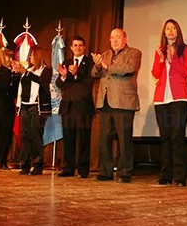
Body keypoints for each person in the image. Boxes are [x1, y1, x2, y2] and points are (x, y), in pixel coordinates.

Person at [92, 28, 141, 183]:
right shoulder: (105, 54)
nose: (114, 40)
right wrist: (98, 65)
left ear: (125, 39)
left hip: (124, 102)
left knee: (124, 139)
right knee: (104, 139)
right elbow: (94, 74)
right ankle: (105, 172)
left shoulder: (134, 53)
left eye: (118, 37)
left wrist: (107, 66)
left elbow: (129, 69)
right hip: (106, 101)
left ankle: (125, 172)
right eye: (112, 37)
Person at [152, 19, 187, 186]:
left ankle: (180, 176)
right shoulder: (159, 50)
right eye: (167, 28)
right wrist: (162, 60)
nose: (170, 31)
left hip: (180, 98)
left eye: (173, 28)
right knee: (165, 137)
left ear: (178, 31)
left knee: (178, 136)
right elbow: (155, 73)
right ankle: (165, 176)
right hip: (161, 99)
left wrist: (172, 59)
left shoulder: (186, 49)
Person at [56, 36, 95, 178]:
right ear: (71, 48)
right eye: (75, 45)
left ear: (84, 47)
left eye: (80, 45)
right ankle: (68, 168)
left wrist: (77, 74)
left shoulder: (90, 63)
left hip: (83, 107)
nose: (78, 48)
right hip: (68, 107)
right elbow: (59, 84)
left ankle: (83, 169)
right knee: (68, 139)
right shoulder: (66, 63)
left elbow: (89, 82)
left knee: (84, 139)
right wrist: (65, 76)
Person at [16, 46, 52, 175]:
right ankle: (24, 163)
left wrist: (26, 73)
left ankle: (37, 164)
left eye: (32, 54)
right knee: (25, 135)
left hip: (37, 106)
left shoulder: (46, 70)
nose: (30, 57)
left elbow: (43, 83)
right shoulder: (29, 70)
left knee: (35, 135)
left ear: (38, 55)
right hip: (25, 106)